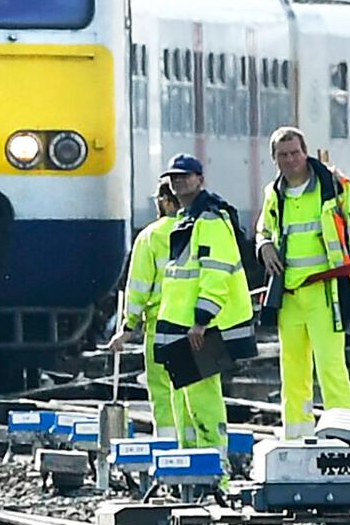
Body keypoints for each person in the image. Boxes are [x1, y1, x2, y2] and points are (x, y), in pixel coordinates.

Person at [256, 127, 350, 439]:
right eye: (283, 155)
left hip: (326, 295)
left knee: (331, 370)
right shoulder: (274, 194)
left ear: (305, 152)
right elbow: (264, 230)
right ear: (274, 159)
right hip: (291, 298)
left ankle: (346, 437)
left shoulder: (335, 187)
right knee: (293, 374)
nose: (290, 160)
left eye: (295, 153)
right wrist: (263, 246)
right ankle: (296, 438)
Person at [153, 154, 254, 471]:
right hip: (182, 328)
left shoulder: (209, 219)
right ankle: (192, 473)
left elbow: (216, 273)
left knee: (204, 403)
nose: (178, 181)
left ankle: (215, 475)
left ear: (200, 179)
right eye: (174, 177)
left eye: (185, 176)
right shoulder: (188, 219)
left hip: (200, 329)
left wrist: (201, 320)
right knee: (186, 404)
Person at [108, 181, 181, 439]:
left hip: (161, 328)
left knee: (163, 393)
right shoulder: (203, 229)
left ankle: (169, 452)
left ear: (165, 201)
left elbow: (138, 289)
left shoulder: (151, 236)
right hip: (199, 329)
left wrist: (127, 328)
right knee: (195, 395)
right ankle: (201, 456)